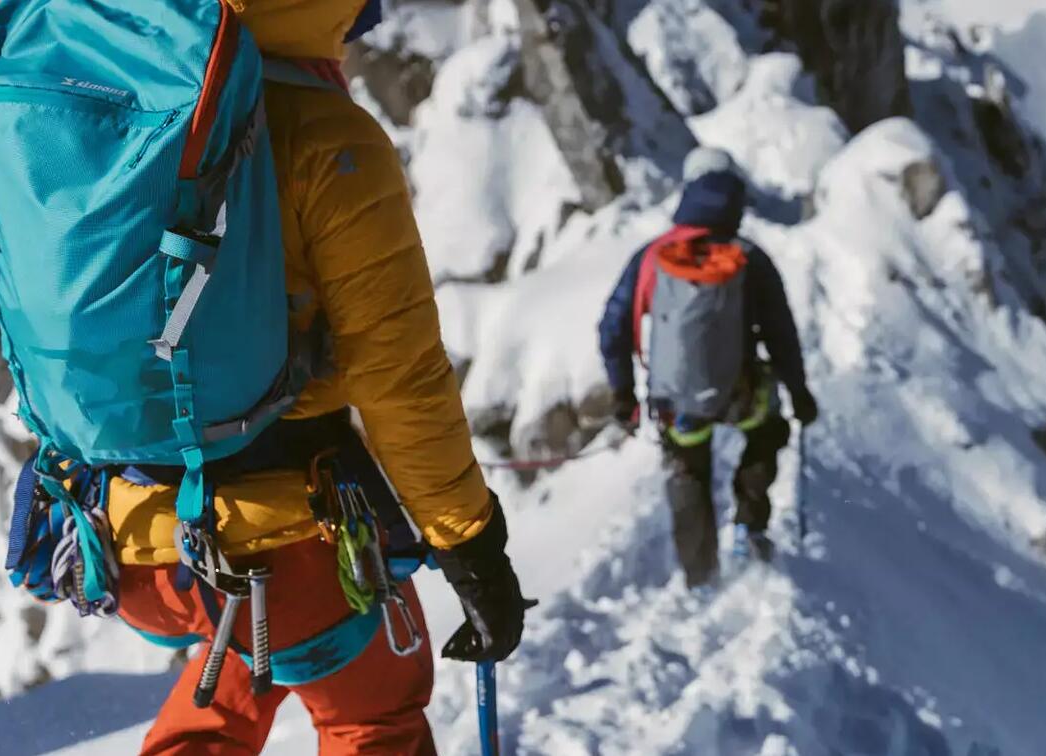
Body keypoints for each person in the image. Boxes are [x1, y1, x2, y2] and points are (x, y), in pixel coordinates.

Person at [94, 2, 529, 753]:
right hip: (291, 532)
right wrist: (471, 545)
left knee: (231, 670)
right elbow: (400, 378)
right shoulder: (324, 136)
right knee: (373, 716)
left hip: (130, 539)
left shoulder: (118, 98)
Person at [597, 148, 819, 587]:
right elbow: (780, 334)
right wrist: (799, 391)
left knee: (688, 470)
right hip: (741, 393)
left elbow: (612, 325)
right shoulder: (750, 258)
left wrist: (623, 392)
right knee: (769, 431)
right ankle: (748, 524)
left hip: (676, 401)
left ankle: (700, 574)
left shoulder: (652, 257)